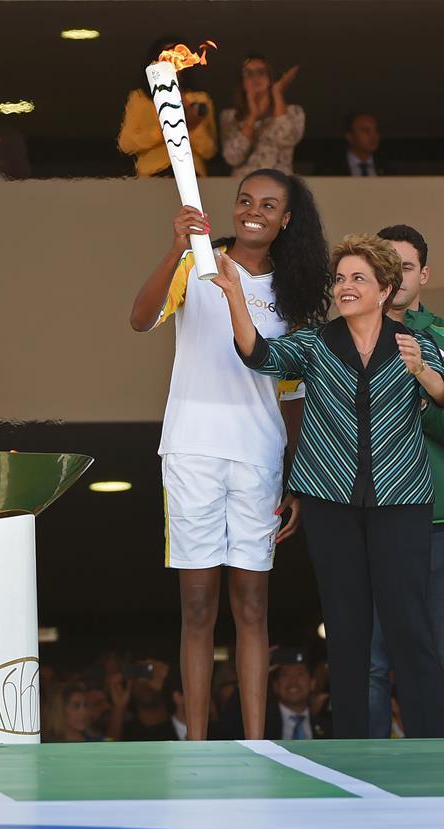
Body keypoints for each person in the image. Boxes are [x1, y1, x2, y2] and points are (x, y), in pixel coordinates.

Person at [218, 232, 444, 738]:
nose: (345, 286)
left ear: (385, 289)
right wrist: (235, 296)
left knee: (408, 624)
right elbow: (259, 354)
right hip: (330, 502)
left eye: (358, 279)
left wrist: (421, 371)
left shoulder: (413, 343)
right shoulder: (315, 343)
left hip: (402, 500)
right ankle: (352, 745)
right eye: (341, 278)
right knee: (346, 628)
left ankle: (431, 742)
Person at [130, 168, 331, 739]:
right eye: (245, 200)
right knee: (197, 606)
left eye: (268, 205)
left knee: (252, 606)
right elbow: (140, 319)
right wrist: (176, 247)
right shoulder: (198, 262)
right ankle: (197, 744)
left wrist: (296, 478)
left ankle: (255, 742)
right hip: (192, 449)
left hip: (258, 455)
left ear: (285, 220)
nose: (253, 212)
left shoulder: (294, 293)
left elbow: (292, 396)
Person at [369, 224, 444, 737]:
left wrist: (423, 404)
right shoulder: (346, 339)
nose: (398, 277)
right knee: (372, 660)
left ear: (424, 274)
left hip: (441, 518)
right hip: (373, 518)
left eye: (406, 267)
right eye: (388, 266)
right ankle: (365, 769)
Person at [118, 37, 217, 177]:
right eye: (166, 55)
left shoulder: (200, 100)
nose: (171, 60)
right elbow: (126, 144)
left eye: (177, 54)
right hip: (153, 175)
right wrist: (165, 131)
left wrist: (189, 125)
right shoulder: (140, 98)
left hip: (192, 174)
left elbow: (209, 150)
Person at [220, 54, 304, 178]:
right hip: (245, 183)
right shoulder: (229, 117)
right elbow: (233, 157)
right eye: (248, 73)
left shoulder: (294, 112)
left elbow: (286, 139)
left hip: (279, 183)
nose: (256, 78)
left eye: (261, 72)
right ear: (242, 81)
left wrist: (277, 92)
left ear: (270, 78)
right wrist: (252, 116)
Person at [264, 648, 332, 740]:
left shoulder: (330, 728)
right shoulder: (262, 726)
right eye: (286, 675)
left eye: (300, 674)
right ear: (275, 685)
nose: (293, 681)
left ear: (312, 683)